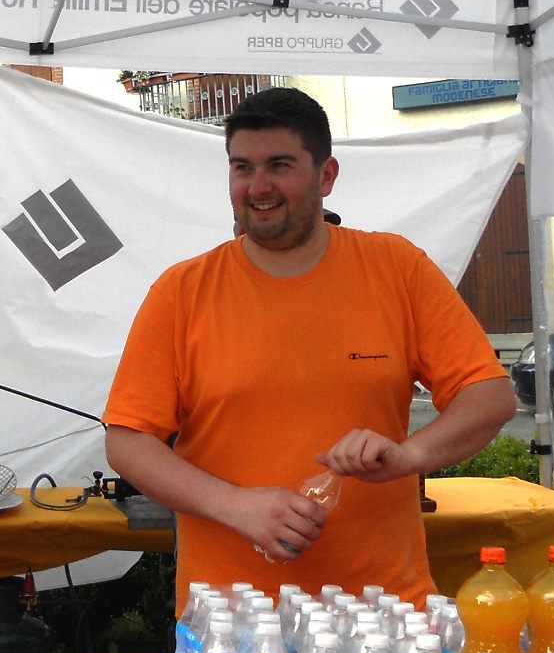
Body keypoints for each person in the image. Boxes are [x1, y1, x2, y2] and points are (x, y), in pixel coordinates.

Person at [104, 86, 517, 605]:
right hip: (232, 619)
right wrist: (234, 505)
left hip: (382, 610)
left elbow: (489, 397)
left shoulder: (396, 267)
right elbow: (128, 441)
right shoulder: (182, 291)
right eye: (242, 167)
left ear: (327, 175)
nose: (259, 187)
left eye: (280, 166)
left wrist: (409, 455)